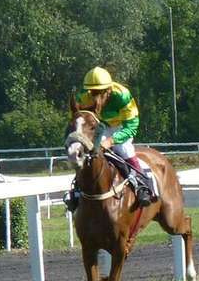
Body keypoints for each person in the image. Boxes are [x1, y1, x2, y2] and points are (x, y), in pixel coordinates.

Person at [64, 66, 153, 211]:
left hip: (121, 127)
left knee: (124, 149)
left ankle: (141, 185)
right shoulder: (83, 96)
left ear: (109, 90)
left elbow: (131, 126)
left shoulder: (122, 96)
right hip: (99, 127)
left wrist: (110, 141)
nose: (94, 96)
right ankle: (76, 190)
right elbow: (78, 120)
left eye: (99, 92)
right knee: (86, 152)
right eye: (91, 92)